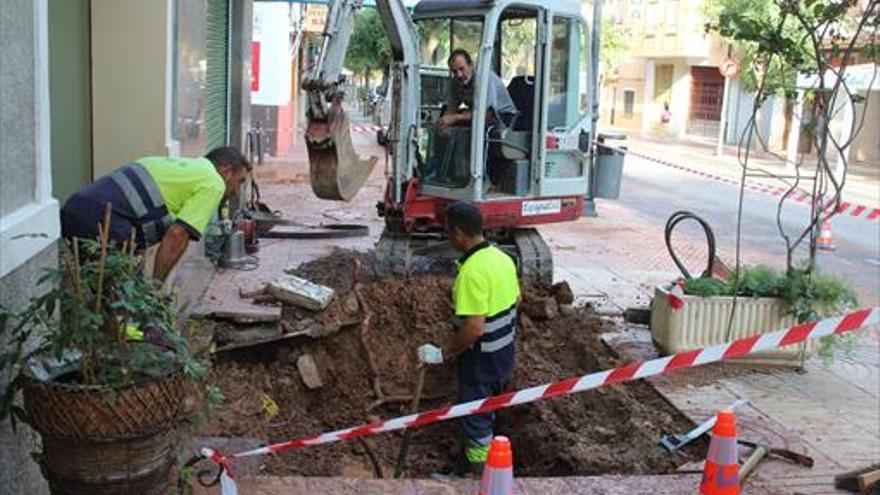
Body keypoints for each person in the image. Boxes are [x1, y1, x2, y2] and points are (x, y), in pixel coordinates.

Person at [418, 202, 520, 476]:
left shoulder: (472, 272)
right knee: (481, 414)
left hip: (481, 362)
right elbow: (514, 301)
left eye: (449, 232)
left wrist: (442, 353)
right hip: (504, 355)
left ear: (460, 233)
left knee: (477, 424)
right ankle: (463, 471)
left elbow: (474, 328)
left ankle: (479, 479)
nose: (449, 237)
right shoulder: (502, 259)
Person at [61, 146, 251, 282]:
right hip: (101, 219)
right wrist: (155, 290)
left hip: (74, 210)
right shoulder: (213, 182)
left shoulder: (177, 167)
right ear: (226, 172)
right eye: (240, 181)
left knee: (104, 293)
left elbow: (136, 211)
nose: (236, 191)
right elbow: (177, 235)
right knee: (125, 303)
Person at [437, 49, 518, 132]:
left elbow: (488, 114)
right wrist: (443, 122)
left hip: (503, 116)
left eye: (462, 69)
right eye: (454, 71)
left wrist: (456, 117)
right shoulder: (455, 81)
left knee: (465, 120)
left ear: (471, 65)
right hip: (479, 113)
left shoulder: (483, 78)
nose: (459, 74)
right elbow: (450, 110)